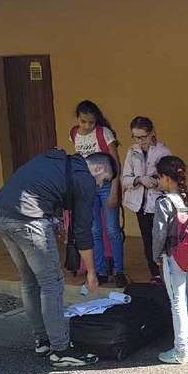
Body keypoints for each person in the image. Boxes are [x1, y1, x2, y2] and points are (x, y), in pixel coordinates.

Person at [0, 149, 111, 367]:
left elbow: (42, 186)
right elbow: (83, 231)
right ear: (99, 168)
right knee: (52, 284)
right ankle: (61, 350)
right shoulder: (85, 179)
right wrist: (92, 272)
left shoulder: (58, 158)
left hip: (1, 213)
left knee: (29, 281)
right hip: (28, 220)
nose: (101, 185)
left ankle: (43, 341)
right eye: (104, 180)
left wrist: (53, 219)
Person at [151, 155, 188, 365]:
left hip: (174, 255)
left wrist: (156, 256)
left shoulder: (164, 202)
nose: (158, 181)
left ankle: (181, 350)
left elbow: (159, 234)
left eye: (158, 177)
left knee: (178, 301)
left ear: (166, 178)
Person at [70, 100, 125, 286]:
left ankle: (118, 270)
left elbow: (115, 163)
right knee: (94, 230)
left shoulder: (104, 133)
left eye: (91, 122)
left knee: (112, 229)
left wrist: (115, 190)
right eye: (83, 122)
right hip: (87, 187)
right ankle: (100, 270)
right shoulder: (74, 134)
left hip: (106, 185)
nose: (87, 126)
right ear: (77, 119)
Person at [121, 116, 171, 280]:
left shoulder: (163, 152)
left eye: (143, 137)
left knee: (162, 239)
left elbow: (170, 181)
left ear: (151, 133)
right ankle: (154, 274)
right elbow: (125, 179)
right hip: (139, 204)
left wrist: (155, 182)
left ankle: (167, 273)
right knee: (147, 240)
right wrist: (138, 179)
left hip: (157, 203)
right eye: (136, 137)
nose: (140, 141)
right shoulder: (132, 151)